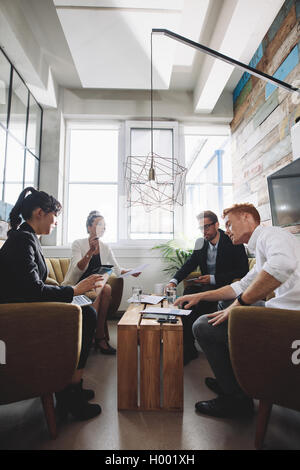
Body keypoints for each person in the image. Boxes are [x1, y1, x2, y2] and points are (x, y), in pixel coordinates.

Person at [175, 203, 300, 418]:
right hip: (283, 312)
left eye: (230, 224)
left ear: (247, 217)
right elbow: (240, 286)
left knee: (203, 326)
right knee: (222, 310)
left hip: (290, 321)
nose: (228, 230)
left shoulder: (271, 234)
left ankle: (235, 399)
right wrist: (198, 296)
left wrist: (238, 306)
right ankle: (233, 380)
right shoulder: (261, 245)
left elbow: (281, 265)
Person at [0, 187, 103, 421]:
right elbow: (33, 290)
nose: (55, 223)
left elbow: (31, 284)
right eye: (54, 216)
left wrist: (70, 293)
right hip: (15, 321)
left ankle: (70, 386)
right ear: (39, 213)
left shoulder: (26, 237)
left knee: (85, 310)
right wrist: (74, 290)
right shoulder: (22, 240)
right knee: (87, 315)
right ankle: (70, 393)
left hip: (25, 310)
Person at [165, 210, 249, 365]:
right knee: (186, 298)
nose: (204, 231)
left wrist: (213, 278)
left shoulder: (232, 239)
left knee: (195, 304)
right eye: (201, 228)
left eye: (207, 227)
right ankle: (188, 347)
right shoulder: (200, 242)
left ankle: (189, 346)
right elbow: (189, 264)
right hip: (203, 286)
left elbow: (243, 271)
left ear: (217, 225)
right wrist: (173, 281)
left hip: (223, 287)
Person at [62, 211, 140, 354]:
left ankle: (97, 336)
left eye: (104, 225)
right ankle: (97, 337)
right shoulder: (78, 244)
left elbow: (117, 269)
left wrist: (131, 271)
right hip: (77, 286)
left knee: (106, 288)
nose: (103, 227)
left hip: (96, 287)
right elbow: (76, 270)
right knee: (103, 288)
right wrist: (90, 252)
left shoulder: (105, 247)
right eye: (99, 224)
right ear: (89, 227)